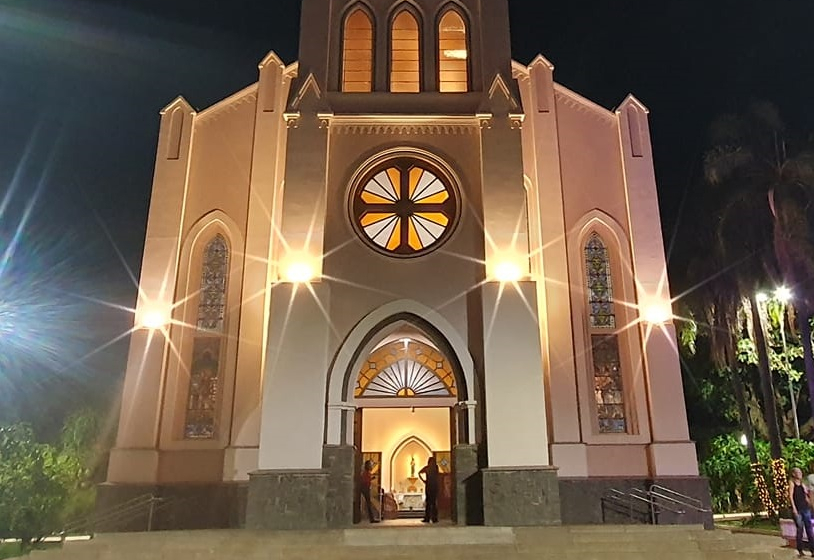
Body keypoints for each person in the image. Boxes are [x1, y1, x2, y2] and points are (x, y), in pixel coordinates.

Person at [789, 467, 814, 557]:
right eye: (798, 472)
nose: (800, 474)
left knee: (809, 530)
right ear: (794, 474)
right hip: (798, 509)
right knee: (800, 529)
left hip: (805, 508)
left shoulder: (803, 484)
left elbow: (806, 495)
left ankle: (812, 550)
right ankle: (800, 549)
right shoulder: (792, 483)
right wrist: (794, 508)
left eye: (800, 472)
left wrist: (810, 504)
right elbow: (791, 496)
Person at [418, 457, 440, 523]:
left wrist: (424, 481)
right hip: (434, 486)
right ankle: (434, 518)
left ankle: (427, 518)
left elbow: (419, 473)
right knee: (433, 503)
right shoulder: (435, 468)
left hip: (429, 486)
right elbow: (438, 476)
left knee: (429, 503)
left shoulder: (427, 468)